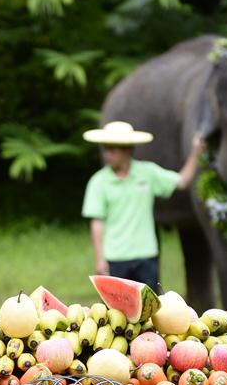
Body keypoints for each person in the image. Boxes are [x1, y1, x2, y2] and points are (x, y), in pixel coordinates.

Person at [81, 121, 203, 289]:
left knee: (149, 310)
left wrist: (196, 152)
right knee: (114, 313)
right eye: (105, 148)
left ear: (127, 149)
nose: (107, 154)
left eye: (112, 149)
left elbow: (182, 181)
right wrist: (100, 259)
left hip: (146, 256)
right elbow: (97, 223)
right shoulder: (98, 182)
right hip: (115, 258)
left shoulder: (148, 173)